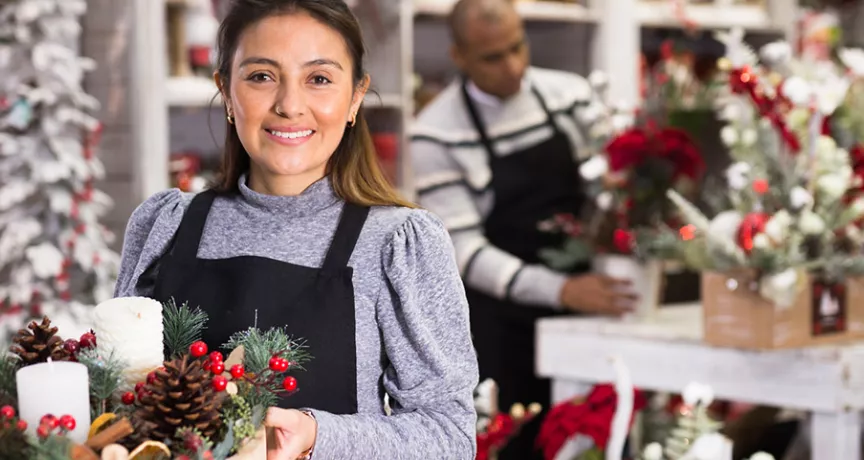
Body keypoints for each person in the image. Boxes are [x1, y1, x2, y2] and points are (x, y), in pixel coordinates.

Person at [114, 1, 479, 459]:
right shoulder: (163, 224)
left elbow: (449, 437)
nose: (289, 105)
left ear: (355, 99)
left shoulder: (397, 243)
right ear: (226, 91)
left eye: (319, 79)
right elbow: (114, 399)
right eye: (261, 76)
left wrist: (316, 435)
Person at [410, 0, 638, 458]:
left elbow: (608, 183)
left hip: (586, 308)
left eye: (518, 47)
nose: (512, 66)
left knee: (600, 438)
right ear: (459, 56)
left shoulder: (569, 95)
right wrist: (560, 290)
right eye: (493, 57)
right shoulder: (435, 133)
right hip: (503, 327)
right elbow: (465, 250)